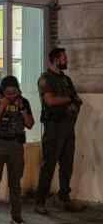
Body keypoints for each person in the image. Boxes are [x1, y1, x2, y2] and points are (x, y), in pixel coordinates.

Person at [35, 47, 84, 214]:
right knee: (49, 164)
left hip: (68, 126)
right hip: (53, 127)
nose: (67, 60)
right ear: (55, 60)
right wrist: (69, 99)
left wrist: (72, 103)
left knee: (67, 164)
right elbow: (50, 100)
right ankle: (40, 201)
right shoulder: (45, 79)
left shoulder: (66, 79)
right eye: (64, 58)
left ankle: (64, 198)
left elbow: (77, 99)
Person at [0, 76, 35, 224]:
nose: (12, 96)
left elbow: (30, 124)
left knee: (15, 182)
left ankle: (16, 216)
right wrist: (2, 105)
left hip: (15, 145)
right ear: (2, 91)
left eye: (14, 93)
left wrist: (22, 110)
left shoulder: (23, 102)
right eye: (8, 94)